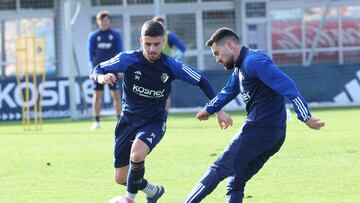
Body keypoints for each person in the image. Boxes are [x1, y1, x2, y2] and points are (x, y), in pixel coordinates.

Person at [93, 20, 230, 203]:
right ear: (141, 41)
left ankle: (129, 200)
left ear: (163, 42)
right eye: (147, 44)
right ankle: (153, 191)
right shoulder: (128, 59)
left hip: (154, 122)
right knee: (120, 177)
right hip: (128, 121)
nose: (152, 49)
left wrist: (218, 110)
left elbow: (202, 80)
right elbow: (98, 68)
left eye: (156, 44)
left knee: (137, 154)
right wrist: (102, 78)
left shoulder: (171, 66)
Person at [183, 27, 325, 202]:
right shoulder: (241, 66)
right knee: (235, 182)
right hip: (274, 135)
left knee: (217, 169)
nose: (217, 59)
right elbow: (228, 91)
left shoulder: (254, 61)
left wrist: (305, 116)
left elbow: (287, 84)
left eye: (217, 53)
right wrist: (209, 109)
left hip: (259, 130)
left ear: (229, 44)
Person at [88, 10, 123, 130]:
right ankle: (96, 122)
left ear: (110, 21)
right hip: (99, 71)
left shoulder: (115, 35)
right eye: (102, 20)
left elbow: (119, 53)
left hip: (112, 69)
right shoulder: (93, 36)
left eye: (107, 20)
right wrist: (91, 71)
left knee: (116, 95)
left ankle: (119, 121)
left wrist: (120, 68)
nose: (104, 22)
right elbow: (90, 56)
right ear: (98, 22)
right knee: (97, 95)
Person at [152, 16, 187, 111]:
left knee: (165, 91)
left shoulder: (168, 35)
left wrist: (174, 59)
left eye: (161, 25)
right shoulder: (149, 36)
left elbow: (182, 48)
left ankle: (165, 116)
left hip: (165, 67)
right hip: (151, 67)